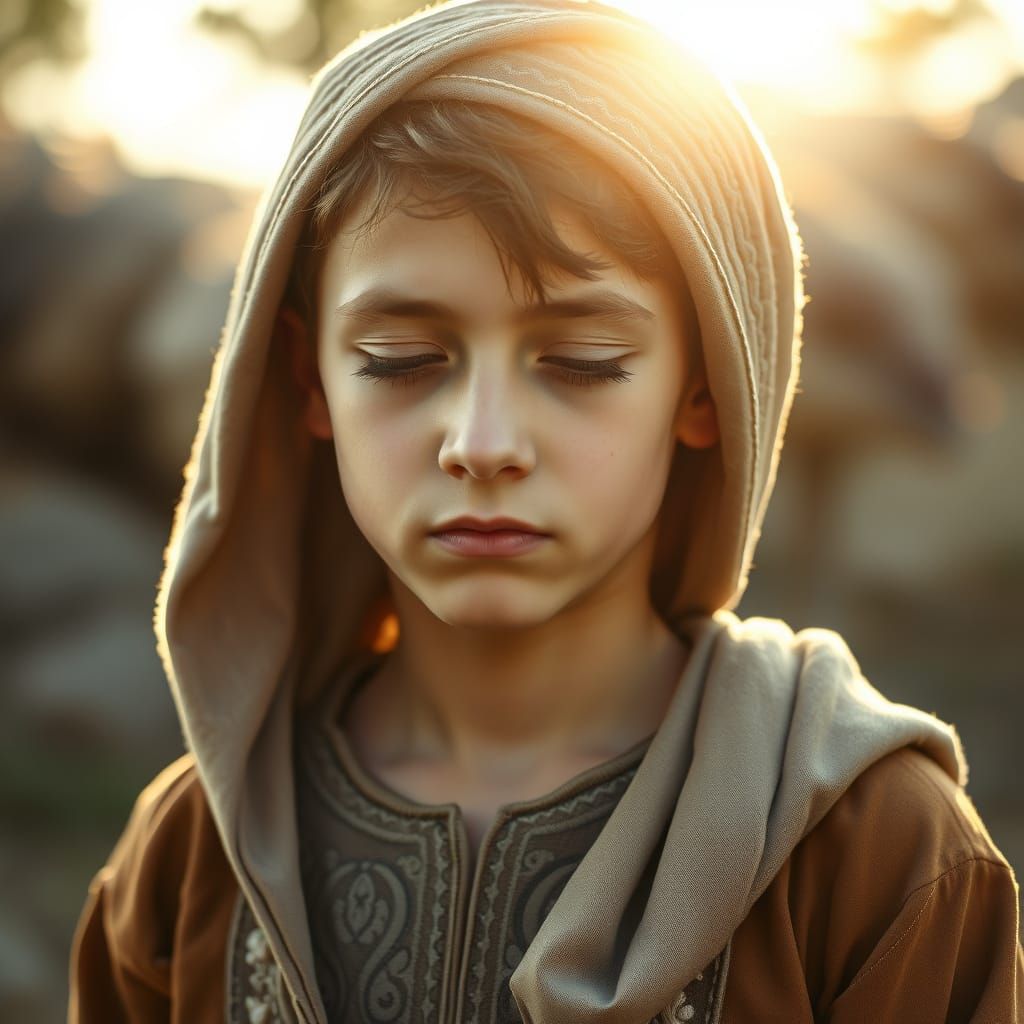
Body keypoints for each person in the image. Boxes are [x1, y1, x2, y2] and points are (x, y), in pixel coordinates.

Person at [68, 1, 1023, 1021]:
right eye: (399, 362)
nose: (481, 443)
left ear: (703, 390)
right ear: (308, 385)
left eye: (579, 361)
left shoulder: (877, 855)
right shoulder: (185, 860)